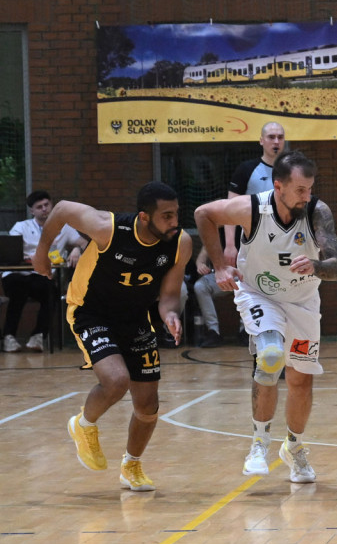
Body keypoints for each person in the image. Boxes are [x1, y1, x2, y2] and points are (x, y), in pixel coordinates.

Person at [194, 149, 337, 483]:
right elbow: (204, 214)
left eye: (310, 188)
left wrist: (317, 265)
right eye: (300, 190)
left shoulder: (317, 212)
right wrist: (220, 264)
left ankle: (294, 447)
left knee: (300, 380)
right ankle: (259, 443)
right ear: (278, 187)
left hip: (303, 302)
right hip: (259, 293)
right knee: (271, 355)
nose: (307, 196)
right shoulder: (252, 209)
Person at [32, 182, 191, 492]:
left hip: (136, 317)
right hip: (90, 312)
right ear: (145, 217)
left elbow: (169, 295)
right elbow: (62, 208)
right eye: (167, 216)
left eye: (176, 214)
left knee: (148, 405)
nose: (175, 222)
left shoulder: (180, 243)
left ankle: (131, 465)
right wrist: (42, 253)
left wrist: (170, 313)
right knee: (116, 380)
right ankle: (83, 424)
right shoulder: (108, 228)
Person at [2, 190, 89, 352]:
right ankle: (8, 337)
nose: (44, 209)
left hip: (41, 276)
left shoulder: (64, 228)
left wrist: (77, 249)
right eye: (39, 207)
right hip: (17, 275)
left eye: (46, 205)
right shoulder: (21, 227)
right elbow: (10, 250)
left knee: (52, 293)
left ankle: (38, 337)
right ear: (32, 211)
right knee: (18, 292)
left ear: (52, 205)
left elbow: (84, 243)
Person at [223, 121, 286, 268]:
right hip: (252, 240)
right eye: (271, 137)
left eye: (280, 137)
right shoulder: (246, 169)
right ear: (261, 141)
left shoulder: (292, 170)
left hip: (284, 240)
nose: (276, 141)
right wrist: (230, 245)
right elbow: (228, 210)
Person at [192, 243, 232, 347]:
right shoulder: (217, 231)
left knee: (254, 284)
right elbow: (202, 256)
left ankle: (246, 331)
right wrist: (201, 265)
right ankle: (213, 331)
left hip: (243, 277)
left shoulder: (246, 230)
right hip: (221, 276)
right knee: (200, 286)